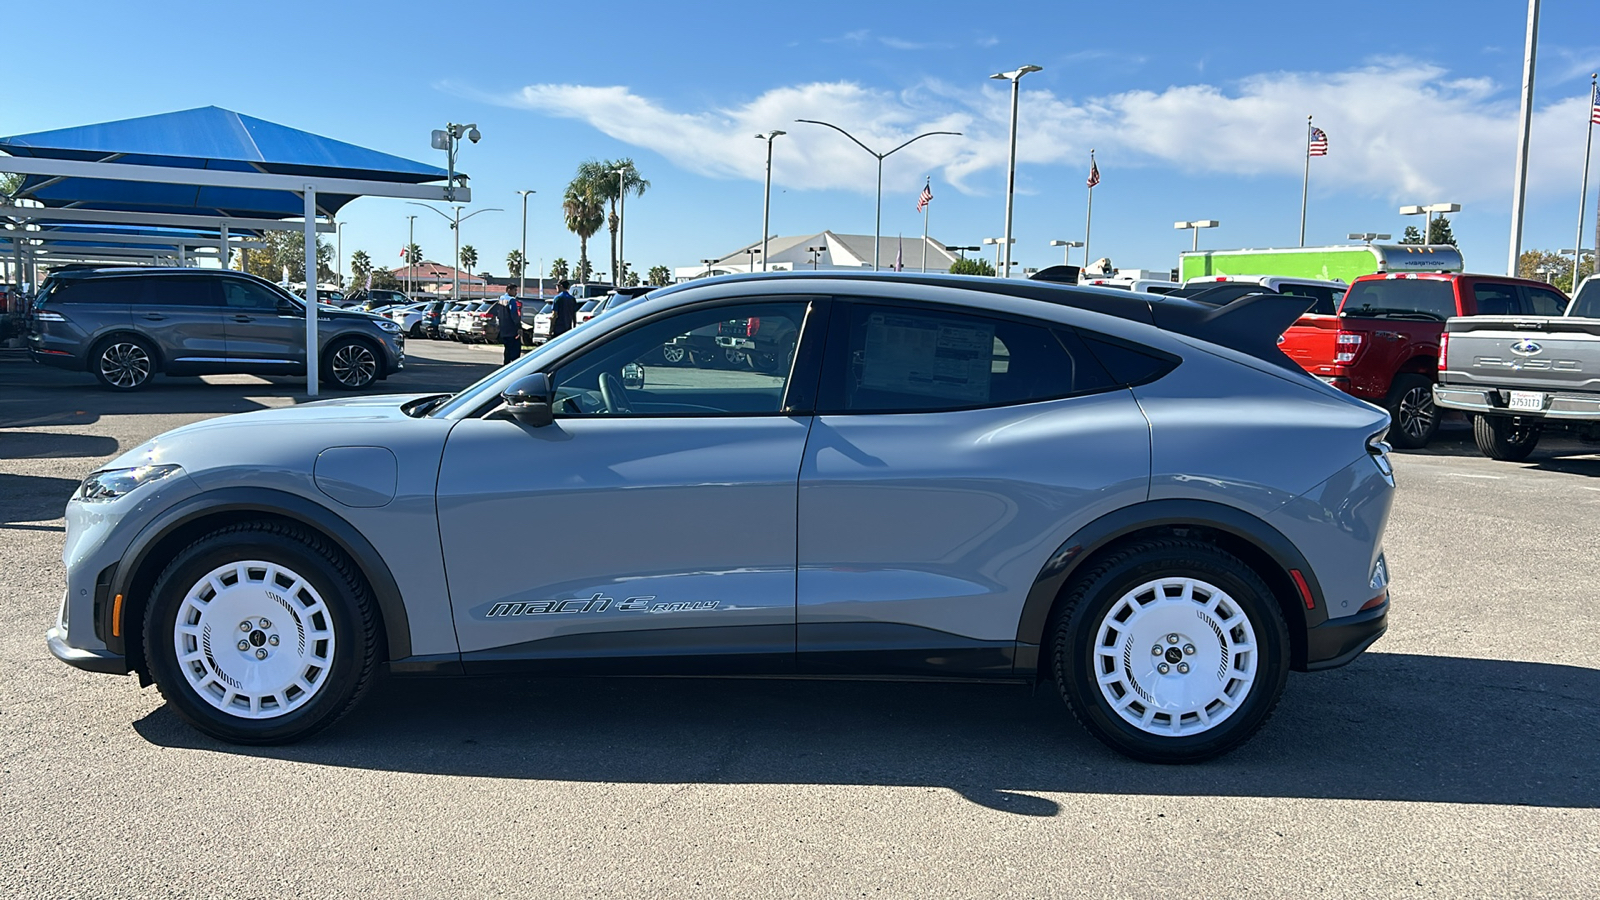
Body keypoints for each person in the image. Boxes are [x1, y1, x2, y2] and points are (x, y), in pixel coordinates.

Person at [494, 283, 523, 364]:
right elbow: (514, 314)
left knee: (507, 349)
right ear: (509, 290)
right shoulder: (511, 300)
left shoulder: (501, 299)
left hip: (503, 328)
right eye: (515, 290)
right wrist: (518, 326)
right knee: (515, 349)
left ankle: (506, 364)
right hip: (511, 329)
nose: (516, 292)